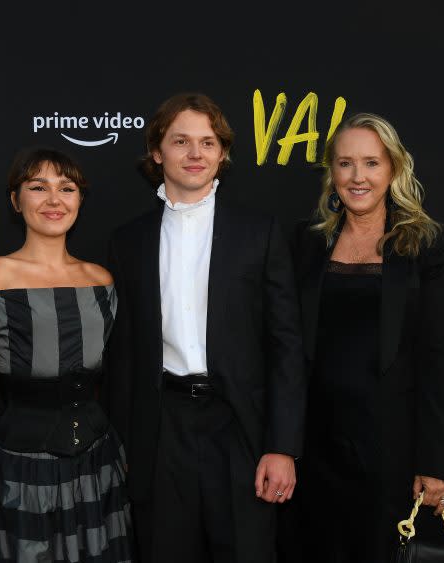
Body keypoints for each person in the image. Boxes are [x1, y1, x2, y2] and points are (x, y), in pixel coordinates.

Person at [105, 93, 305, 563]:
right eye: (181, 141)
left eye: (207, 142)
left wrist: (283, 446)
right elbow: (123, 355)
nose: (195, 154)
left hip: (241, 428)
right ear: (157, 152)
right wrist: (125, 443)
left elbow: (287, 348)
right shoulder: (128, 241)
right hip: (162, 428)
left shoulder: (260, 233)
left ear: (221, 153)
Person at [0, 147, 133, 562]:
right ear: (17, 201)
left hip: (96, 470)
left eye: (66, 188)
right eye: (39, 187)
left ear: (79, 201)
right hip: (14, 475)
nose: (54, 200)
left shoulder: (101, 281)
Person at [290, 113, 444, 562]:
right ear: (332, 173)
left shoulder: (426, 245)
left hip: (390, 446)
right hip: (315, 445)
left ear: (394, 170)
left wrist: (435, 463)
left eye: (371, 163)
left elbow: (438, 359)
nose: (357, 177)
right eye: (345, 164)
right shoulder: (305, 245)